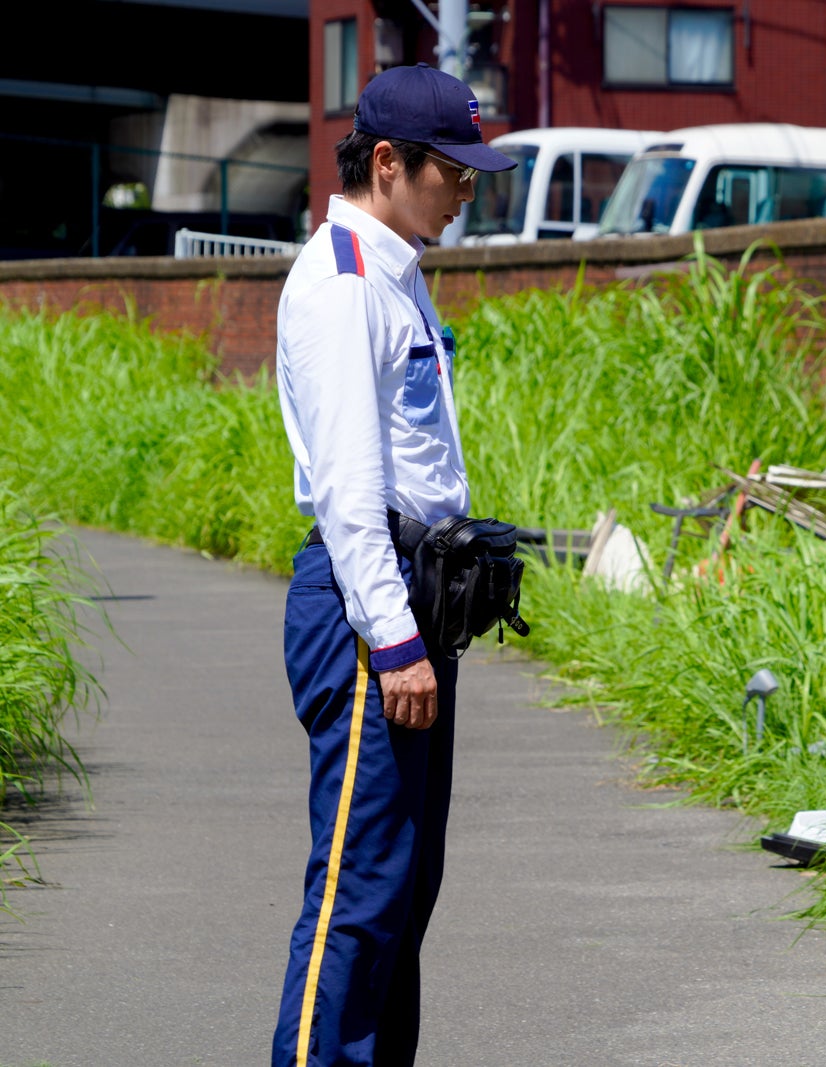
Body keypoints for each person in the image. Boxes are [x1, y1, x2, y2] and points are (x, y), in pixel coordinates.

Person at [270, 63, 515, 1067]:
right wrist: (396, 638)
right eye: (451, 170)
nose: (466, 190)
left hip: (411, 605)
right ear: (387, 162)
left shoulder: (394, 269)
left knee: (404, 889)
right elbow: (349, 489)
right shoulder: (342, 286)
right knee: (358, 892)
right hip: (372, 611)